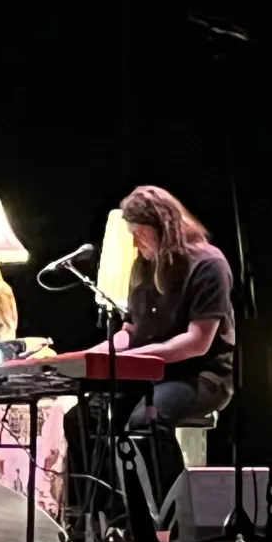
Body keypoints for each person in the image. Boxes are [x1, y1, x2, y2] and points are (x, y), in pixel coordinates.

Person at [71, 185, 235, 516]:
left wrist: (129, 360)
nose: (134, 242)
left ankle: (176, 517)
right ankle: (113, 511)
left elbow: (196, 342)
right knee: (81, 417)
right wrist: (90, 358)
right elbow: (129, 333)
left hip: (200, 376)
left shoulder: (208, 264)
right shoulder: (142, 268)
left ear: (162, 226)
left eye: (138, 233)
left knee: (147, 419)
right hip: (148, 376)